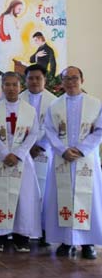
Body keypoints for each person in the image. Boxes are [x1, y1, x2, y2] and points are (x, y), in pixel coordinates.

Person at [44, 66, 102, 259]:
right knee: (64, 198)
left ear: (82, 80)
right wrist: (62, 150)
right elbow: (49, 130)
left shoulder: (95, 104)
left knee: (88, 200)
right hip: (63, 159)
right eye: (66, 79)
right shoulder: (55, 105)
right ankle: (66, 241)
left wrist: (82, 149)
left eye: (74, 78)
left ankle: (88, 243)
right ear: (61, 82)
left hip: (86, 159)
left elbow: (100, 130)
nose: (70, 82)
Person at [0, 72, 40, 252]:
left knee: (23, 199)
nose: (11, 88)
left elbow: (33, 133)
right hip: (0, 159)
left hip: (22, 161)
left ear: (20, 86)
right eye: (7, 84)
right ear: (2, 87)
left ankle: (21, 237)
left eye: (14, 84)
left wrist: (18, 154)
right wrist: (4, 153)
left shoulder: (29, 110)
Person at [19, 64, 56, 237]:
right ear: (25, 80)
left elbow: (55, 128)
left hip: (45, 152)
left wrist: (41, 146)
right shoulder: (18, 99)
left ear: (44, 80)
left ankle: (44, 230)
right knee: (25, 191)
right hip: (23, 152)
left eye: (38, 78)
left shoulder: (54, 102)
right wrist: (27, 146)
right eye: (31, 78)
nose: (34, 81)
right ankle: (24, 229)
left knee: (44, 191)